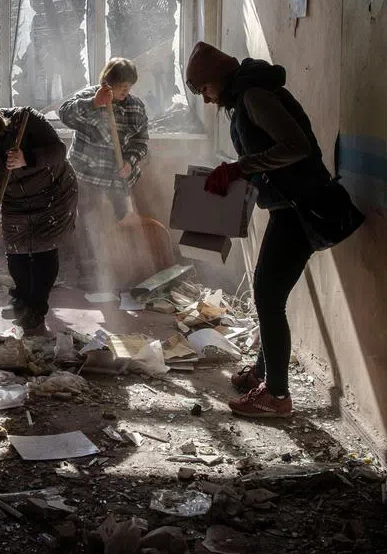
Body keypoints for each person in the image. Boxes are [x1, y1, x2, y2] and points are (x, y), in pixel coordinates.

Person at [185, 41, 359, 418]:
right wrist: (239, 168)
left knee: (266, 296)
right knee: (270, 294)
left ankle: (277, 397)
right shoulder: (247, 96)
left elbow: (296, 147)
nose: (207, 99)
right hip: (289, 207)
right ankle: (261, 375)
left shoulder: (254, 96)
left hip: (300, 208)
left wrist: (241, 167)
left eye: (204, 90)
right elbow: (270, 151)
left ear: (216, 80)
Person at [0, 93, 78, 331]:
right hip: (14, 196)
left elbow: (59, 150)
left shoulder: (26, 121)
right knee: (16, 252)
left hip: (53, 193)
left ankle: (36, 309)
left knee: (43, 249)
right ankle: (22, 298)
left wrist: (27, 158)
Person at [59, 58, 149, 287]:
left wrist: (130, 161)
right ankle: (88, 271)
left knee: (123, 218)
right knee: (87, 220)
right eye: (121, 86)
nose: (125, 91)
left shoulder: (135, 107)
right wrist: (94, 103)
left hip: (118, 176)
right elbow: (64, 114)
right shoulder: (89, 97)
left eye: (128, 87)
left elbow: (141, 140)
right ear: (107, 82)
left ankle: (125, 267)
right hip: (85, 174)